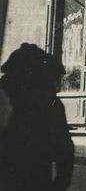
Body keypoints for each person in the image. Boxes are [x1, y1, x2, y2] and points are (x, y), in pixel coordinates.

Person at [0, 43, 75, 190]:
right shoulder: (49, 103)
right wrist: (58, 186)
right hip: (36, 178)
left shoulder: (5, 98)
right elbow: (65, 151)